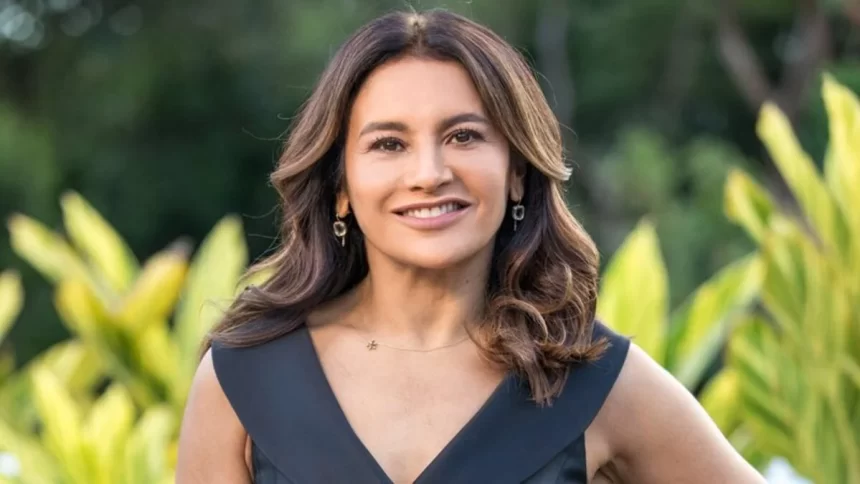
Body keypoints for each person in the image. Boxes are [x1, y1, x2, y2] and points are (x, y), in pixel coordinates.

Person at [176, 8, 765, 484]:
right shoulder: (243, 378)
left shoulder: (595, 380)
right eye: (389, 144)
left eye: (463, 136)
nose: (429, 173)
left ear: (515, 172)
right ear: (340, 188)